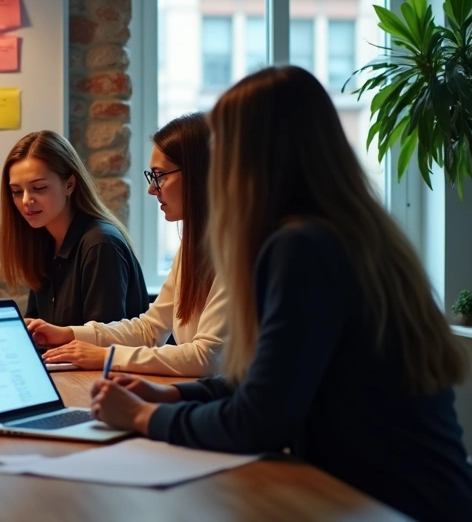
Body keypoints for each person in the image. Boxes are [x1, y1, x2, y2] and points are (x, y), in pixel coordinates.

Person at [89, 66, 472, 521]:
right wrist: (170, 396)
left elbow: (258, 420)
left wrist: (141, 417)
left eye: (222, 147)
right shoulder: (348, 233)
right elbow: (269, 380)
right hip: (411, 493)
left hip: (395, 506)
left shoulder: (301, 246)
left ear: (253, 156)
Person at [28, 113, 228, 376]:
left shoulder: (237, 250)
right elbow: (149, 329)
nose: (152, 189)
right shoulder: (193, 245)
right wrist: (67, 334)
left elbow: (208, 357)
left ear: (197, 173)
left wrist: (107, 356)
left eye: (160, 175)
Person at [0, 130, 147, 327]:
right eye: (17, 191)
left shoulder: (100, 244)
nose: (26, 200)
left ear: (69, 185)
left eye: (39, 188)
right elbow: (38, 323)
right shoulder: (43, 241)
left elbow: (102, 339)